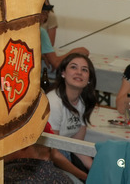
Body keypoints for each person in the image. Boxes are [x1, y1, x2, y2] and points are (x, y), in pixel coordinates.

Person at [46, 53, 96, 181]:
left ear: (89, 79)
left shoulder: (82, 103)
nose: (79, 72)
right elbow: (53, 153)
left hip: (63, 158)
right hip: (45, 161)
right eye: (73, 67)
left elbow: (78, 147)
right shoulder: (53, 102)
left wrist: (97, 170)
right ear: (63, 73)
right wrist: (85, 177)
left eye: (84, 70)